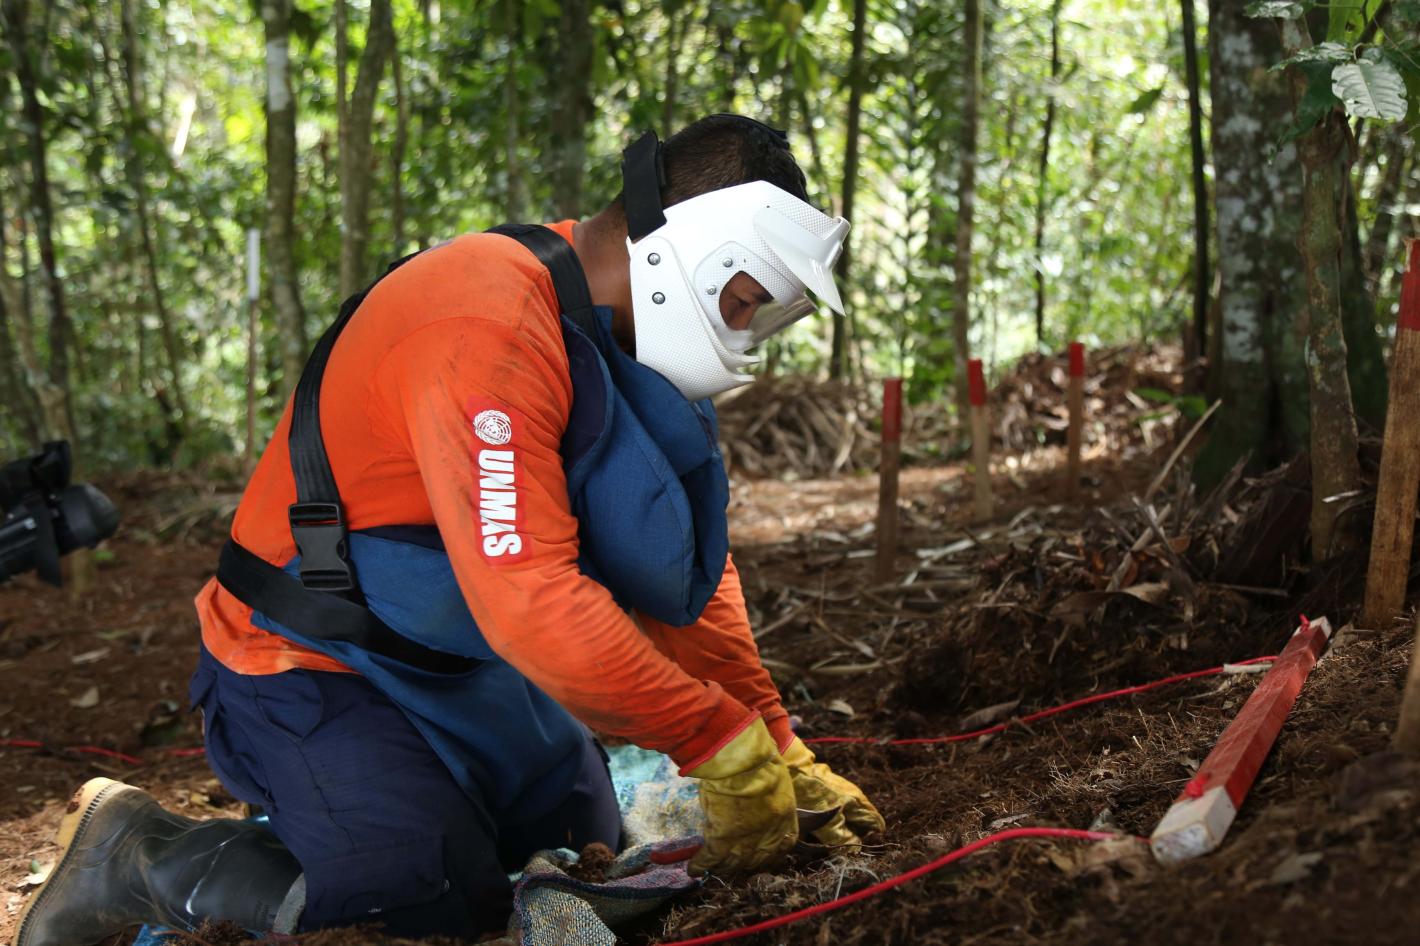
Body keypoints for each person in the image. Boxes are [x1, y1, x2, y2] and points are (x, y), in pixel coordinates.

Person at [16, 114, 884, 946]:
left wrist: (774, 739)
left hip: (453, 662)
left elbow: (679, 573)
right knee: (428, 906)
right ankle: (142, 850)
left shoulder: (607, 337)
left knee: (580, 836)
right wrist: (711, 739)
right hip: (305, 660)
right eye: (742, 301)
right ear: (690, 251)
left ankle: (363, 817)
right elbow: (529, 599)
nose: (743, 332)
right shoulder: (489, 325)